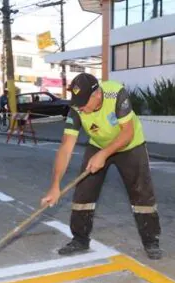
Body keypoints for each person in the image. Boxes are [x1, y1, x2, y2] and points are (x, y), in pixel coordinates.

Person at [40, 73, 163, 260]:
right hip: (98, 145)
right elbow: (66, 147)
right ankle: (80, 239)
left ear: (97, 94)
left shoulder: (116, 94)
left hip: (130, 145)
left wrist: (104, 154)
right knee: (84, 192)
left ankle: (151, 241)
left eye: (84, 102)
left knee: (141, 193)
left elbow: (127, 133)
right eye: (77, 103)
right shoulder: (77, 108)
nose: (80, 107)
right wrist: (55, 185)